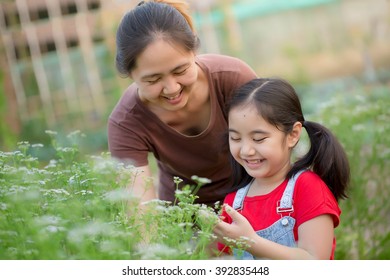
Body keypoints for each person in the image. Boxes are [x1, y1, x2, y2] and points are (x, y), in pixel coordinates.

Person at [107, 0, 257, 208]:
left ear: (194, 52)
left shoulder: (232, 79)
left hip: (253, 196)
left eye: (180, 71)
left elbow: (273, 155)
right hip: (185, 216)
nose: (172, 88)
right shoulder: (126, 121)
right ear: (131, 75)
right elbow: (139, 211)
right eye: (153, 80)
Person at [213, 78, 350, 259]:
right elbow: (222, 257)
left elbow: (315, 261)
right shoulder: (233, 202)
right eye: (236, 138)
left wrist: (250, 241)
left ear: (293, 135)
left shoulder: (307, 188)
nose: (246, 150)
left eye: (259, 139)